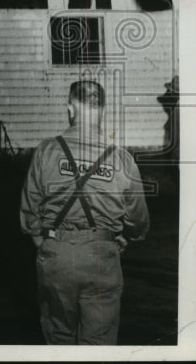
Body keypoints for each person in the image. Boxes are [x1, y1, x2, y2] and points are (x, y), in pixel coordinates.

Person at [19, 80, 149, 344]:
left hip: (56, 255)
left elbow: (29, 209)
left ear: (70, 109)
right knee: (99, 344)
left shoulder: (46, 150)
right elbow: (137, 219)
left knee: (59, 339)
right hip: (101, 256)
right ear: (102, 111)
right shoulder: (122, 158)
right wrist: (123, 237)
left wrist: (45, 240)